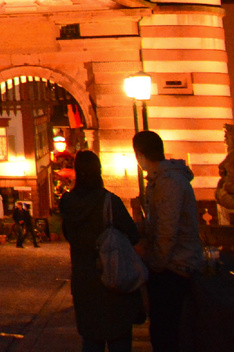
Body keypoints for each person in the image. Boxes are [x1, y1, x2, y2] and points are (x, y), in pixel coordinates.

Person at [60, 149, 143, 352]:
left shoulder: (67, 203)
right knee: (119, 339)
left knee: (91, 339)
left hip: (84, 281)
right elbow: (133, 235)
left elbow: (70, 236)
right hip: (112, 277)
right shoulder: (109, 202)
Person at [133, 130, 203, 352]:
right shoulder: (162, 180)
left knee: (166, 333)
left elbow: (166, 231)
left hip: (174, 268)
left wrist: (155, 263)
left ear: (140, 154)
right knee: (164, 331)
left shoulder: (167, 183)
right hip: (173, 265)